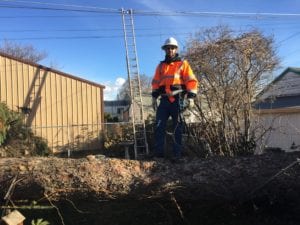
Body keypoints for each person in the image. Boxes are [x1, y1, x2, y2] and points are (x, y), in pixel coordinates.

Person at [151, 37, 198, 161]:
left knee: (178, 128)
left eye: (172, 48)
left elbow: (191, 80)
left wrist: (191, 97)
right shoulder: (160, 66)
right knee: (159, 126)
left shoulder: (183, 64)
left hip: (178, 100)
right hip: (164, 101)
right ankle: (159, 155)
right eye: (168, 48)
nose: (170, 50)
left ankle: (177, 155)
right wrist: (154, 97)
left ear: (176, 49)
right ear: (165, 50)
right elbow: (155, 82)